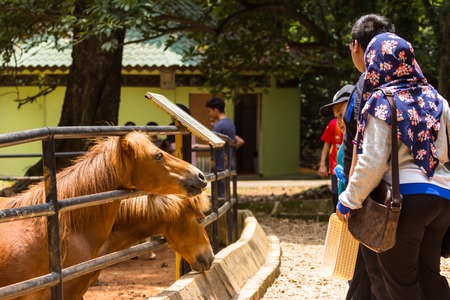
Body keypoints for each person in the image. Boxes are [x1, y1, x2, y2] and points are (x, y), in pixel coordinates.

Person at [337, 32, 450, 300]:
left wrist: (348, 200)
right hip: (442, 202)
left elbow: (372, 162)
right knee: (429, 276)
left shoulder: (382, 100)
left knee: (401, 285)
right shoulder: (437, 99)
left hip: (403, 205)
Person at [341, 14, 396, 300]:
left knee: (376, 272)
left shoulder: (365, 85)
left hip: (376, 196)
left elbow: (359, 149)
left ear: (356, 46)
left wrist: (349, 198)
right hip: (420, 192)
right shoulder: (420, 87)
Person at [318, 85, 353, 210]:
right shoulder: (343, 150)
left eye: (341, 114)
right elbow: (326, 144)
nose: (339, 121)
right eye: (336, 116)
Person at [206, 97, 239, 197]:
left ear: (216, 110)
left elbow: (213, 145)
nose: (209, 114)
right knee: (225, 194)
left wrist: (195, 146)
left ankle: (221, 212)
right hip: (227, 163)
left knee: (218, 195)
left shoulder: (219, 126)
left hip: (219, 164)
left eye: (210, 111)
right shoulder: (230, 123)